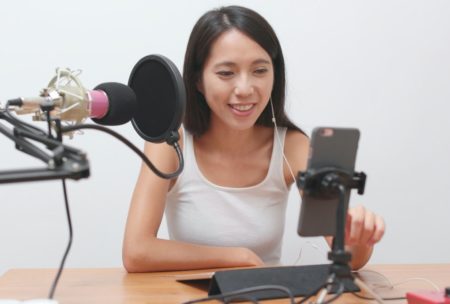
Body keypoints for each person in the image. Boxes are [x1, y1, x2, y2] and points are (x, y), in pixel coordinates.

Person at [122, 5, 385, 273]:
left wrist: (360, 239)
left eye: (260, 71)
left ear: (275, 74)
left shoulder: (292, 147)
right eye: (226, 73)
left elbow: (347, 254)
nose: (245, 89)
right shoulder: (170, 142)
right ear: (197, 80)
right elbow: (137, 251)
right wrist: (237, 257)